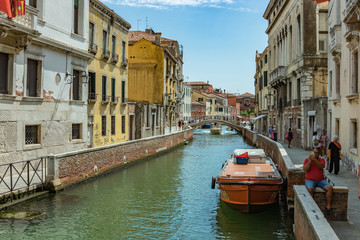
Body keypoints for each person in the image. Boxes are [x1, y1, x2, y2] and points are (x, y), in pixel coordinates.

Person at [303, 148, 334, 214]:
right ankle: (311, 206)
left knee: (330, 188)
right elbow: (305, 169)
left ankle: (328, 206)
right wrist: (310, 161)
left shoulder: (321, 160)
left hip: (320, 180)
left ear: (319, 154)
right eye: (314, 152)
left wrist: (314, 159)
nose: (315, 154)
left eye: (317, 153)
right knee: (310, 189)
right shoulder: (307, 160)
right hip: (310, 180)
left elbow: (321, 166)